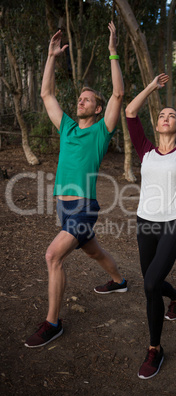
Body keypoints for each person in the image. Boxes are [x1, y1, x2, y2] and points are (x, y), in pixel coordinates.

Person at [25, 21, 127, 348]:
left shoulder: (100, 132)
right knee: (94, 251)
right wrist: (52, 56)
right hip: (63, 206)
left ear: (97, 109)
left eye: (87, 99)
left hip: (84, 207)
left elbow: (118, 94)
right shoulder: (67, 127)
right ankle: (119, 280)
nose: (81, 101)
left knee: (53, 255)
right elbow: (46, 93)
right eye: (80, 97)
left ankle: (53, 323)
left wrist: (113, 53)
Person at [125, 68, 176, 379]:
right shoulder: (145, 151)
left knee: (149, 285)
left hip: (173, 225)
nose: (165, 117)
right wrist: (151, 86)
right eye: (161, 114)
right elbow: (130, 112)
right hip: (145, 224)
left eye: (171, 115)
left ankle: (154, 350)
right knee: (153, 282)